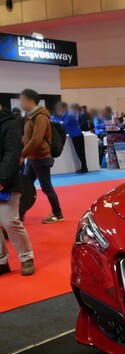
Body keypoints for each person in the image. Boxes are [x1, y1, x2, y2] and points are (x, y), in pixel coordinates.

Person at [0, 105, 35, 276]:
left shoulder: (10, 124)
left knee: (10, 222)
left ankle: (26, 257)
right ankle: (1, 261)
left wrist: (2, 179)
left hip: (8, 182)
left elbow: (12, 154)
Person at [20, 89, 64, 224]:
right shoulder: (31, 117)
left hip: (41, 158)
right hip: (33, 158)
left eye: (22, 100)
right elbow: (29, 138)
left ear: (30, 101)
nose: (21, 103)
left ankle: (57, 213)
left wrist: (22, 155)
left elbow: (36, 140)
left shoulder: (40, 117)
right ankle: (19, 215)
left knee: (46, 187)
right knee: (24, 187)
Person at [52, 102, 88, 173]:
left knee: (80, 152)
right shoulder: (65, 115)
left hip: (77, 135)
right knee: (79, 152)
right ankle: (84, 167)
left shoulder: (70, 115)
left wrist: (54, 121)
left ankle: (84, 167)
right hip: (74, 135)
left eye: (60, 108)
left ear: (64, 108)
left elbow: (64, 124)